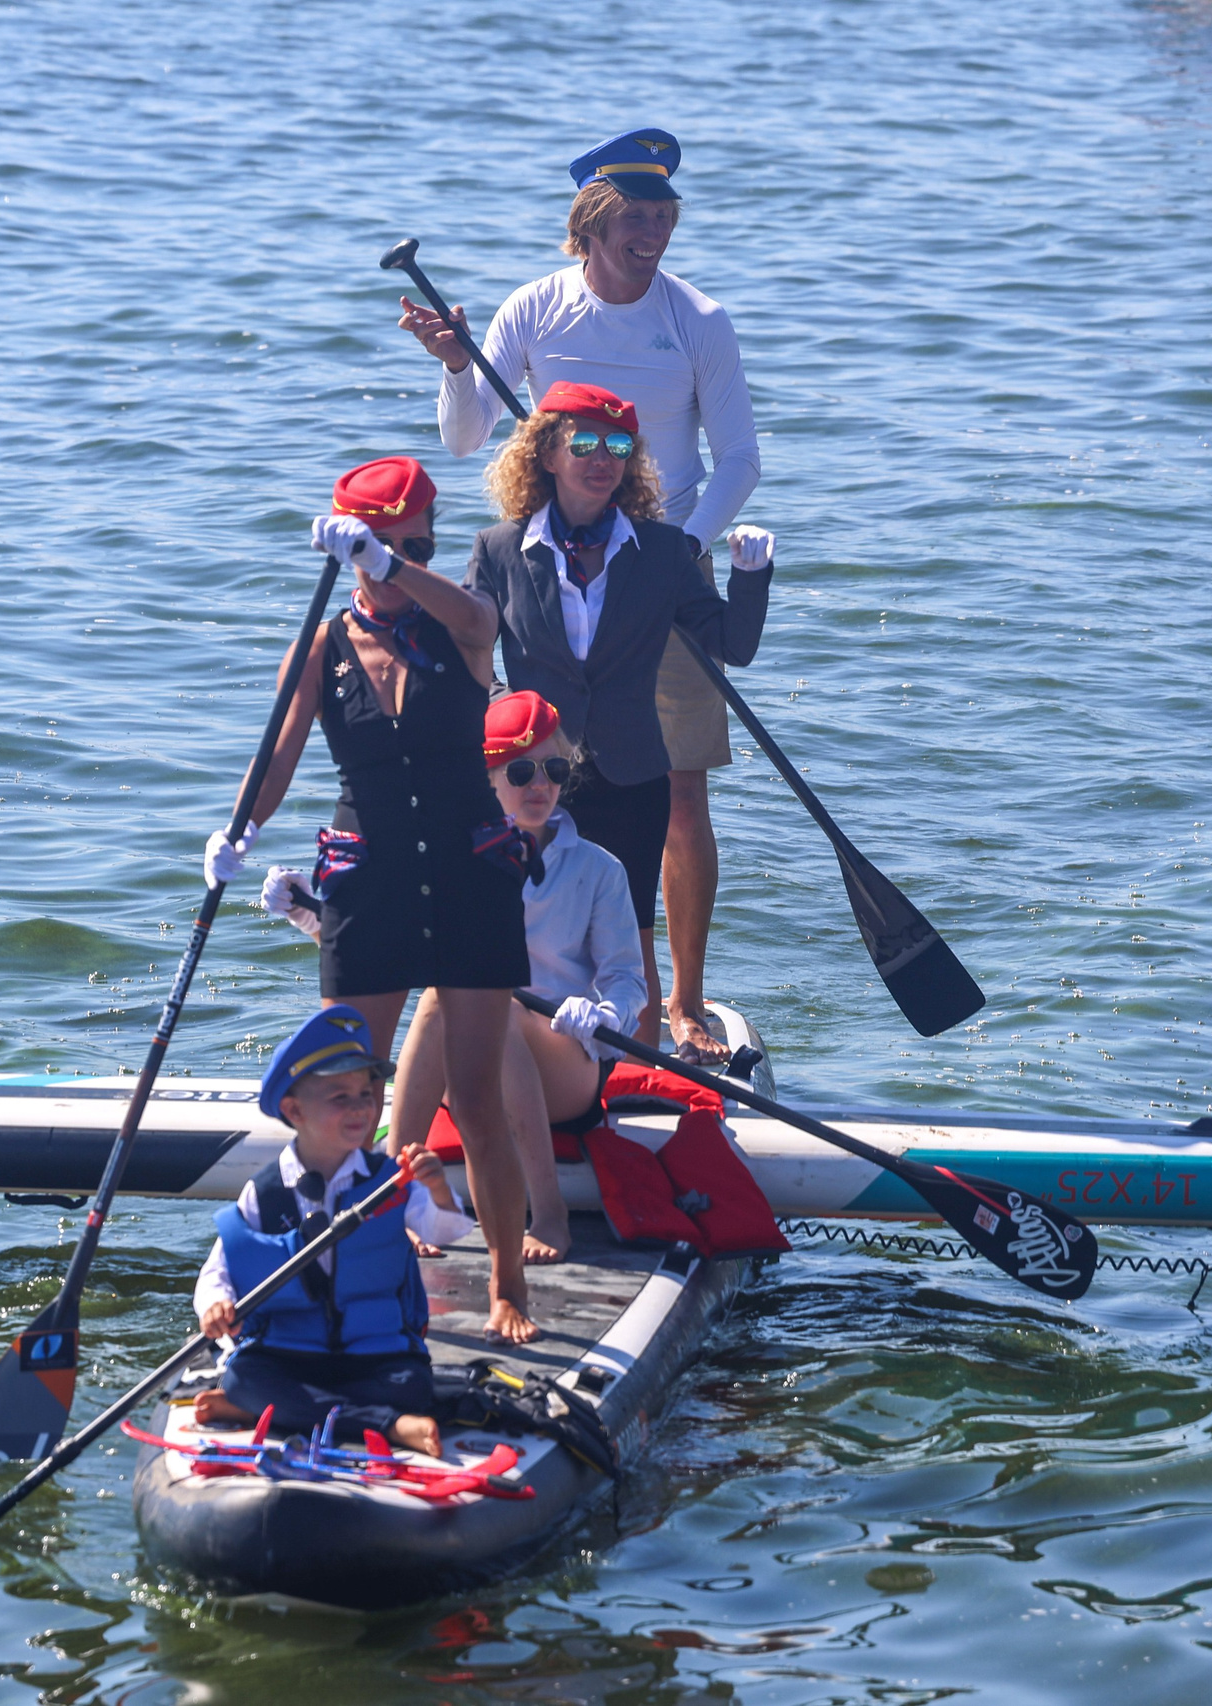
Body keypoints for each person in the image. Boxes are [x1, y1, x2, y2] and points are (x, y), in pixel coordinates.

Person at [398, 127, 761, 1063]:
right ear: (591, 226)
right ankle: (537, 976)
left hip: (664, 569)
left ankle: (679, 1004)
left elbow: (739, 463)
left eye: (663, 217)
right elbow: (468, 441)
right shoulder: (534, 310)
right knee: (533, 776)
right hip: (548, 566)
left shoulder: (698, 320)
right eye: (635, 218)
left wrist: (679, 553)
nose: (653, 233)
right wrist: (454, 365)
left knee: (677, 792)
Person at [212, 454, 539, 1343]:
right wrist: (238, 830)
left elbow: (485, 618)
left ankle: (509, 1282)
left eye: (419, 545)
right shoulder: (322, 645)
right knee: (341, 1093)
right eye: (386, 547)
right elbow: (279, 749)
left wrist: (400, 571)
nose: (404, 561)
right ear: (348, 550)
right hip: (370, 879)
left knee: (475, 1096)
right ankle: (329, 1277)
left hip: (470, 876)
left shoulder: (456, 625)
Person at [462, 383, 773, 1059]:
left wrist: (750, 573)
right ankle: (520, 1064)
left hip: (631, 776)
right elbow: (468, 656)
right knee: (522, 927)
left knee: (629, 939)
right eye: (583, 443)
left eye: (618, 445)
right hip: (532, 774)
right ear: (546, 451)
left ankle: (632, 1078)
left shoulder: (662, 552)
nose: (601, 458)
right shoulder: (499, 549)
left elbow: (732, 646)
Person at [385, 690, 647, 1263]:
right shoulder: (452, 858)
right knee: (446, 996)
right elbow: (387, 944)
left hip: (565, 1068)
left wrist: (606, 1016)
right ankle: (390, 1193)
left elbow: (628, 979)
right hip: (472, 1067)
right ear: (488, 780)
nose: (541, 785)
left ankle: (549, 1212)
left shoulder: (601, 870)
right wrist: (309, 911)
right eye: (522, 770)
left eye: (554, 769)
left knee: (489, 1001)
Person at [190, 1006, 472, 1456]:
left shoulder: (388, 1180)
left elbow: (447, 1229)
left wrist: (438, 1187)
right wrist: (215, 1305)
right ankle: (388, 1426)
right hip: (288, 1354)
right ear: (294, 1109)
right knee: (245, 1377)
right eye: (340, 1097)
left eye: (365, 1093)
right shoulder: (263, 1192)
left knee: (414, 1386)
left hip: (376, 1357)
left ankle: (275, 1410)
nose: (360, 1107)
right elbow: (218, 1269)